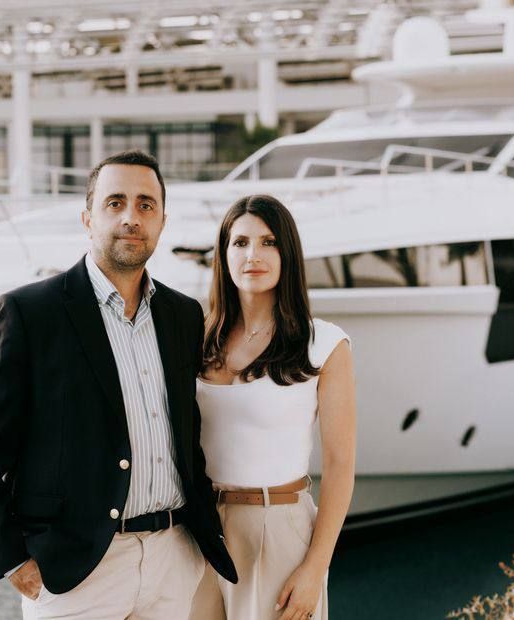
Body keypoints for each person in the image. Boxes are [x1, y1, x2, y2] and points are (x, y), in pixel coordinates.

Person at [0, 150, 236, 619]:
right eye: (115, 202)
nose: (131, 217)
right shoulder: (29, 314)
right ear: (88, 219)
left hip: (172, 559)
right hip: (76, 573)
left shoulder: (184, 316)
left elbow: (187, 438)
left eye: (146, 205)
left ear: (162, 222)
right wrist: (10, 558)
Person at [191, 194, 356, 620]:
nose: (253, 255)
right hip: (197, 533)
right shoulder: (196, 340)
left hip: (277, 527)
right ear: (223, 254)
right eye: (240, 242)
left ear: (288, 254)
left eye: (268, 242)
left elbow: (340, 466)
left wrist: (315, 569)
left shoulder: (324, 344)